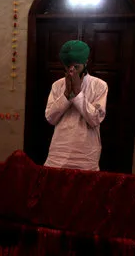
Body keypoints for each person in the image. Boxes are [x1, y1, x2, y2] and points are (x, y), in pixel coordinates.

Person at [44, 40, 108, 171]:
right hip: (58, 153)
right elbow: (50, 118)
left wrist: (78, 93)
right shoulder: (58, 85)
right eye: (68, 67)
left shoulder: (99, 85)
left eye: (76, 67)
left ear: (86, 63)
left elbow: (95, 119)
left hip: (86, 155)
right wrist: (66, 95)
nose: (71, 71)